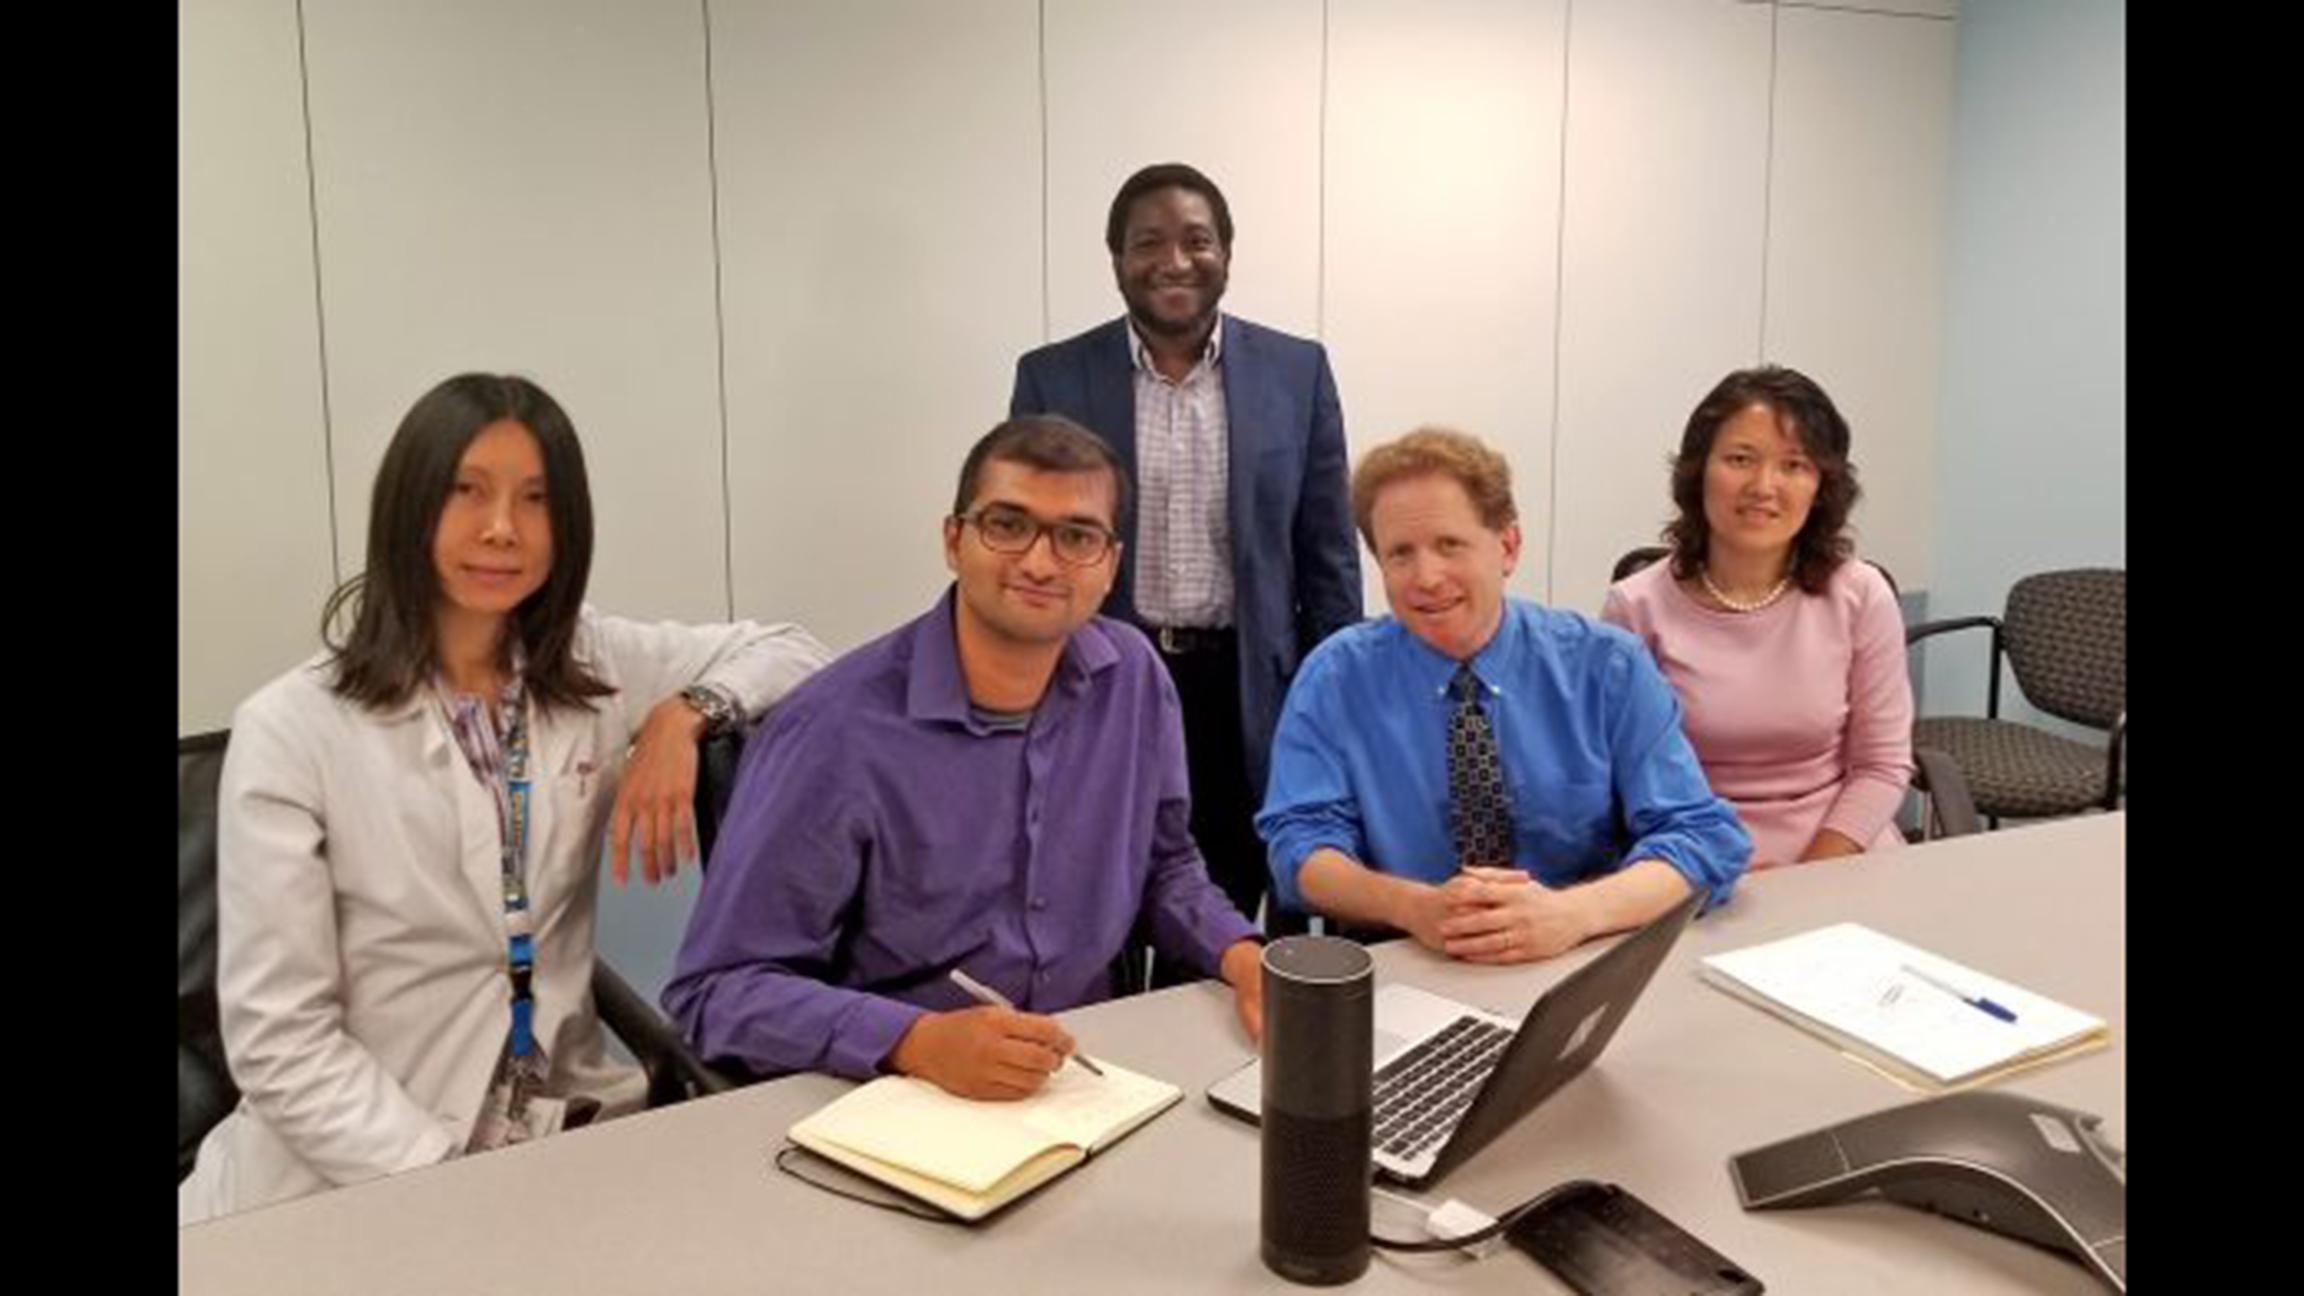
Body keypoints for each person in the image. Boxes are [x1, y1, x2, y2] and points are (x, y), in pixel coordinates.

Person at [179, 374, 830, 1223]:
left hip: (558, 1142)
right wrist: (448, 1179)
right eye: (468, 492)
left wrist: (684, 716)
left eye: (536, 499)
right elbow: (281, 1045)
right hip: (348, 1176)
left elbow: (795, 649)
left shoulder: (590, 665)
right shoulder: (294, 729)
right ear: (409, 507)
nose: (502, 529)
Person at [666, 415, 1263, 1101]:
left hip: (1083, 1077)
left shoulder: (1131, 678)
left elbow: (1165, 866)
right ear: (954, 540)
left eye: (1076, 536)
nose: (1040, 562)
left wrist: (1242, 955)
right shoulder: (833, 730)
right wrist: (913, 1040)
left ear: (1110, 564)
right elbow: (716, 991)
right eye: (1008, 525)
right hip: (886, 1091)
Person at [1010, 162, 1361, 930]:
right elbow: (1023, 551)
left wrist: (1338, 704)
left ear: (1227, 254)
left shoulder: (1296, 373)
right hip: (1100, 683)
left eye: (1197, 240)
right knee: (1094, 907)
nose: (1174, 261)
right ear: (1117, 261)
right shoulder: (1053, 378)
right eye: (1149, 243)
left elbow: (1327, 558)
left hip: (1248, 694)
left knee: (1228, 910)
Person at [1256, 428, 1750, 964]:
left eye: (1450, 545)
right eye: (1401, 554)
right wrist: (1413, 906)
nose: (1426, 577)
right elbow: (1299, 846)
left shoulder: (1607, 668)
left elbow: (1700, 837)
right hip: (1410, 955)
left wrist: (1575, 915)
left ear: (1508, 546)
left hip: (1580, 951)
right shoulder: (1336, 677)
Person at [1602, 365, 1913, 869]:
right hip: (1687, 862)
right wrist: (1707, 868)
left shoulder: (1860, 595)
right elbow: (1624, 778)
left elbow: (1881, 766)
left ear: (1822, 486)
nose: (1764, 485)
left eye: (1794, 465)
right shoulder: (1635, 608)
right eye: (1740, 459)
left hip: (1840, 856)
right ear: (1699, 471)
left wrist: (1807, 876)